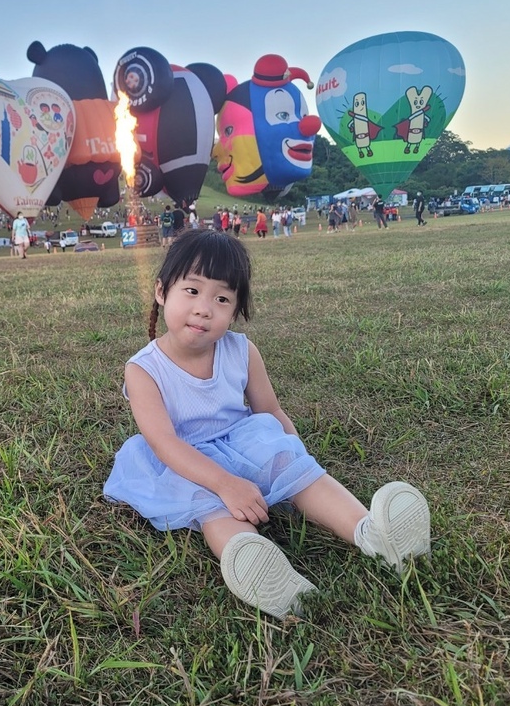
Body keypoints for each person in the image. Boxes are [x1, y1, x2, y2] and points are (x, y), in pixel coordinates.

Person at [102, 229, 430, 619]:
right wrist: (226, 484)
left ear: (236, 310)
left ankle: (373, 534)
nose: (204, 308)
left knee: (295, 469)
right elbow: (164, 443)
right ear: (161, 291)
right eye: (192, 291)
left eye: (221, 298)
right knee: (213, 509)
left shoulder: (241, 350)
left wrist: (296, 462)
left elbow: (270, 412)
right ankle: (260, 567)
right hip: (184, 461)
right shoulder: (143, 369)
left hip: (242, 441)